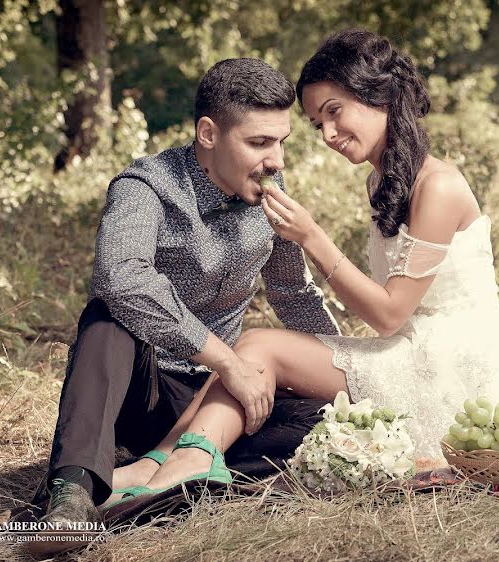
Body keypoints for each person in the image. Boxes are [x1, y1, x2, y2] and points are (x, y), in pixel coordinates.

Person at [108, 29, 499, 503]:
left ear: (382, 96)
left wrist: (312, 237)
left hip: (457, 363)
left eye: (335, 112)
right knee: (250, 354)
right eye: (316, 123)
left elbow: (390, 314)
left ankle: (180, 465)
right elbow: (341, 306)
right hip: (411, 348)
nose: (328, 133)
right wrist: (328, 345)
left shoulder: (437, 185)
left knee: (255, 345)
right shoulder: (383, 182)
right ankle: (163, 463)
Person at [33, 58, 341, 533]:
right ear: (208, 134)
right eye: (259, 142)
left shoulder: (272, 191)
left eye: (281, 142)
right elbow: (121, 276)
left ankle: (155, 478)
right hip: (146, 390)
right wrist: (228, 362)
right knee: (107, 317)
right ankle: (71, 493)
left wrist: (345, 369)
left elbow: (291, 292)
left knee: (328, 427)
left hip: (218, 403)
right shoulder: (145, 187)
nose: (276, 159)